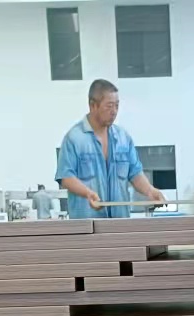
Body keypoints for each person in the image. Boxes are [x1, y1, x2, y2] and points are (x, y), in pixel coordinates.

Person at [56, 79, 166, 219]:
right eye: (109, 106)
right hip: (87, 224)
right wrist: (87, 193)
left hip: (119, 224)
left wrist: (150, 191)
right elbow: (66, 177)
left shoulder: (123, 138)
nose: (114, 111)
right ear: (93, 105)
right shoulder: (74, 138)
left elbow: (135, 173)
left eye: (117, 106)